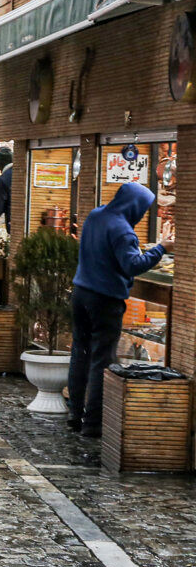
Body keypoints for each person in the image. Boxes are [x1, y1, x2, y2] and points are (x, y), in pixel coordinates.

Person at [68, 182, 169, 437]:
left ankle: (74, 414)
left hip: (80, 293)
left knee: (80, 353)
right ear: (134, 206)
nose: (143, 214)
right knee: (102, 359)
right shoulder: (123, 231)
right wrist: (162, 248)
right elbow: (132, 265)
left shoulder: (95, 215)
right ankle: (93, 424)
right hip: (104, 300)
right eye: (143, 209)